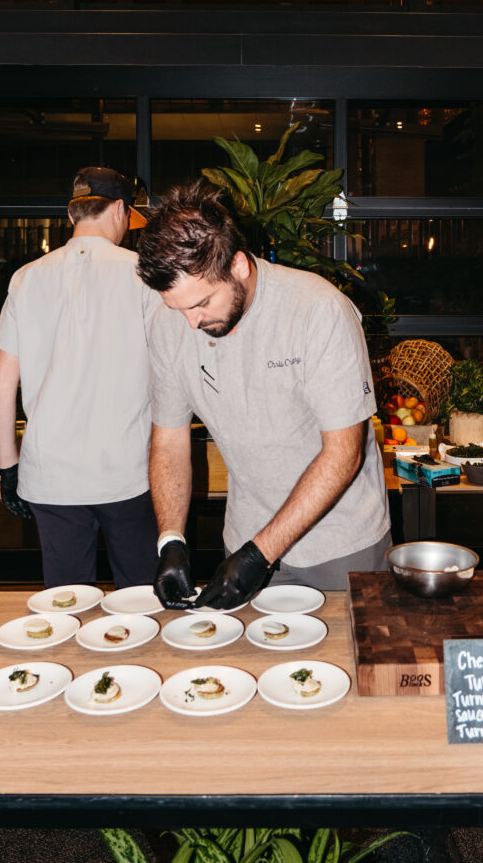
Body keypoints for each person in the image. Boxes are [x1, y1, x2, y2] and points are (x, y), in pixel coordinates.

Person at [137, 180, 391, 611]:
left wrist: (262, 552)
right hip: (242, 543)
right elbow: (169, 438)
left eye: (201, 303)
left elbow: (343, 454)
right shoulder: (171, 323)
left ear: (238, 266)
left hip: (340, 543)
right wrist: (170, 539)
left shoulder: (317, 310)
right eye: (176, 308)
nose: (190, 323)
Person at [0, 166, 162, 589]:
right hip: (128, 470)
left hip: (51, 474)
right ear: (120, 209)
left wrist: (9, 469)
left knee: (65, 600)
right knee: (142, 596)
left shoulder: (26, 278)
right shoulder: (144, 276)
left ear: (72, 215)